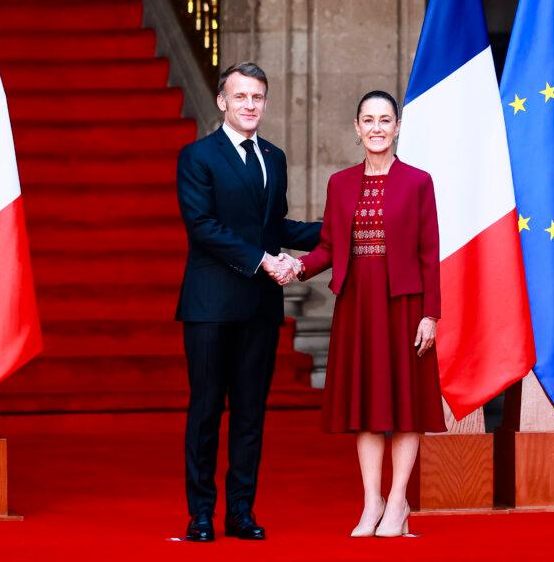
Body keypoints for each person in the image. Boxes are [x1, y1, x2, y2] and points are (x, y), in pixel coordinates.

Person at [175, 61, 321, 542]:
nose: (250, 105)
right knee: (206, 411)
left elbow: (274, 227)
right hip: (211, 306)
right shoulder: (197, 157)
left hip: (260, 307)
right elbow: (203, 227)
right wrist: (264, 260)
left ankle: (241, 511)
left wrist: (337, 229)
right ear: (222, 101)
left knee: (251, 414)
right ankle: (201, 513)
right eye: (240, 97)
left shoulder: (274, 158)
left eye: (257, 97)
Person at [290, 90, 445, 538]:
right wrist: (296, 267)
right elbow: (329, 248)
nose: (377, 128)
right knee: (367, 406)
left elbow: (429, 253)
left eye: (385, 120)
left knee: (405, 407)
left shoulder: (419, 182)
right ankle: (370, 501)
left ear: (397, 127)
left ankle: (398, 502)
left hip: (405, 305)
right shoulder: (340, 183)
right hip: (358, 305)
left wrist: (430, 314)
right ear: (357, 129)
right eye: (368, 120)